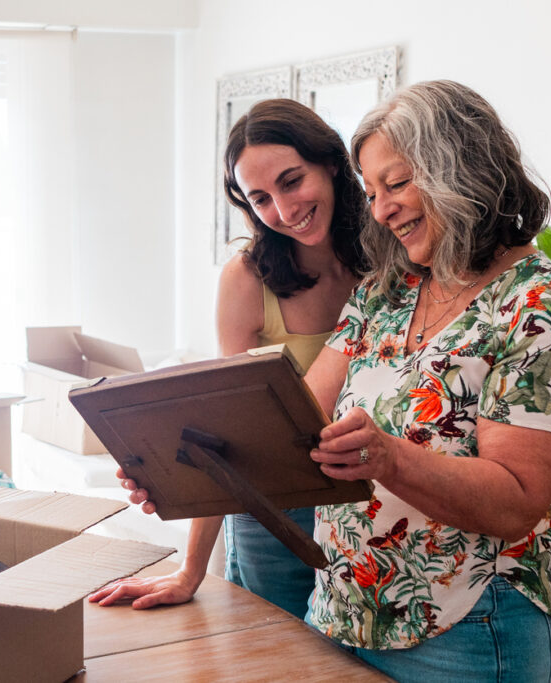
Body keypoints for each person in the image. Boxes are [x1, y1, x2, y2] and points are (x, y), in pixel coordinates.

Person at [104, 80, 551, 683]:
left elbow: (516, 502)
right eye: (372, 191)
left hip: (467, 629)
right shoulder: (387, 291)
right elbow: (291, 422)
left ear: (464, 168)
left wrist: (388, 457)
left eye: (396, 185)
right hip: (345, 614)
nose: (381, 209)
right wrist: (178, 470)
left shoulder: (543, 307)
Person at [88, 98, 366, 617]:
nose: (283, 211)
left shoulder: (389, 260)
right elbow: (224, 432)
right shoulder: (247, 278)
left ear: (330, 162)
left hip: (376, 502)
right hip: (270, 505)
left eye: (291, 181)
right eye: (260, 198)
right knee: (277, 653)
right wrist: (191, 571)